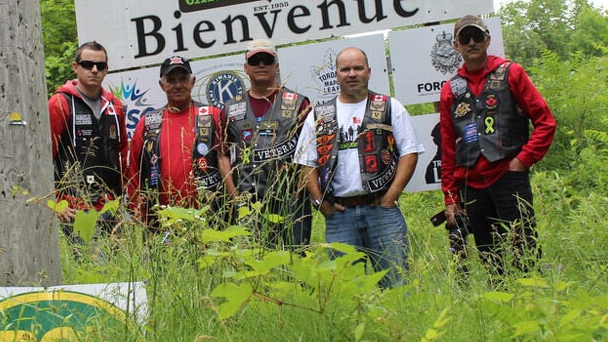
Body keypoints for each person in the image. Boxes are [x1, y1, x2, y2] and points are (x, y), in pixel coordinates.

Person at [439, 15, 556, 274]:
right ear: (456, 45)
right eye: (464, 38)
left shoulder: (511, 72)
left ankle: (533, 304)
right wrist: (450, 198)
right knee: (491, 261)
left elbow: (545, 122)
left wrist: (523, 160)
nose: (472, 42)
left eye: (477, 36)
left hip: (509, 179)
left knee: (525, 254)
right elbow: (448, 149)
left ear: (487, 40)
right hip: (472, 187)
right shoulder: (450, 90)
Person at [296, 47, 423, 288]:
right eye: (345, 69)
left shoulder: (388, 106)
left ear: (369, 72)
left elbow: (410, 151)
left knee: (397, 287)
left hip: (382, 212)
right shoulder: (320, 114)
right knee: (347, 292)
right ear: (337, 74)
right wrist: (320, 202)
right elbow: (306, 163)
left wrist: (391, 196)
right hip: (339, 216)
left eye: (358, 68)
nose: (352, 74)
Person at [219, 39, 312, 250]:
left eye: (267, 60)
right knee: (255, 270)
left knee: (295, 265)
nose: (261, 65)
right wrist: (235, 197)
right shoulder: (231, 108)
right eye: (255, 60)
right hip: (248, 203)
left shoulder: (298, 103)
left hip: (290, 202)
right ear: (246, 68)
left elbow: (311, 153)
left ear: (276, 66)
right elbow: (222, 154)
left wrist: (299, 191)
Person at [127, 55, 225, 230]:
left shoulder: (213, 115)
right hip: (163, 220)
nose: (178, 85)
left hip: (211, 216)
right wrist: (136, 208)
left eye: (183, 79)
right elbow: (134, 169)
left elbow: (229, 161)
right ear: (162, 85)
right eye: (171, 80)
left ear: (192, 81)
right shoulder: (148, 122)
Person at [48, 41, 128, 237]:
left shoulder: (115, 106)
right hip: (74, 208)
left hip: (111, 205)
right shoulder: (59, 103)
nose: (94, 70)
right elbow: (43, 158)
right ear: (75, 67)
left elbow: (123, 153)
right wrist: (56, 202)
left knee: (115, 266)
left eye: (100, 66)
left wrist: (127, 198)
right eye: (87, 64)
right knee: (86, 264)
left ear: (106, 69)